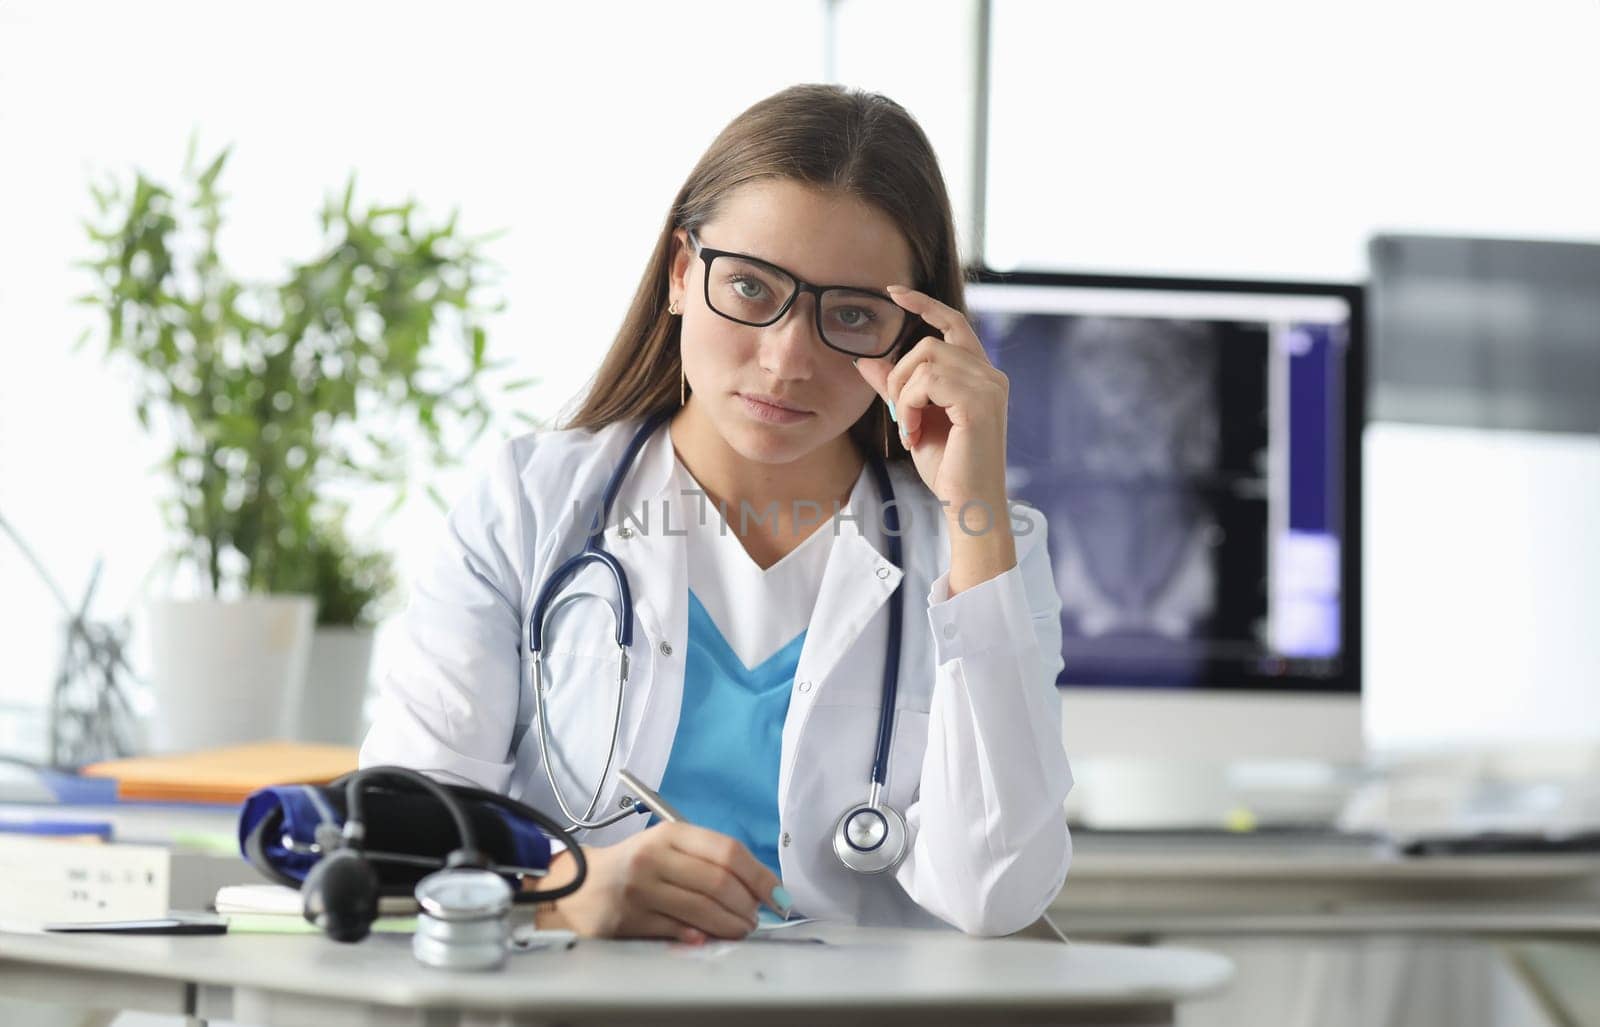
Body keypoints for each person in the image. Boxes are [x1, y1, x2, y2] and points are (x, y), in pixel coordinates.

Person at [359, 84, 1073, 942]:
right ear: (678, 274)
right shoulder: (530, 506)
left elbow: (995, 893)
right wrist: (556, 894)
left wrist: (977, 516)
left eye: (851, 314)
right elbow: (407, 830)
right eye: (749, 285)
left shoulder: (980, 547)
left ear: (914, 337)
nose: (787, 358)